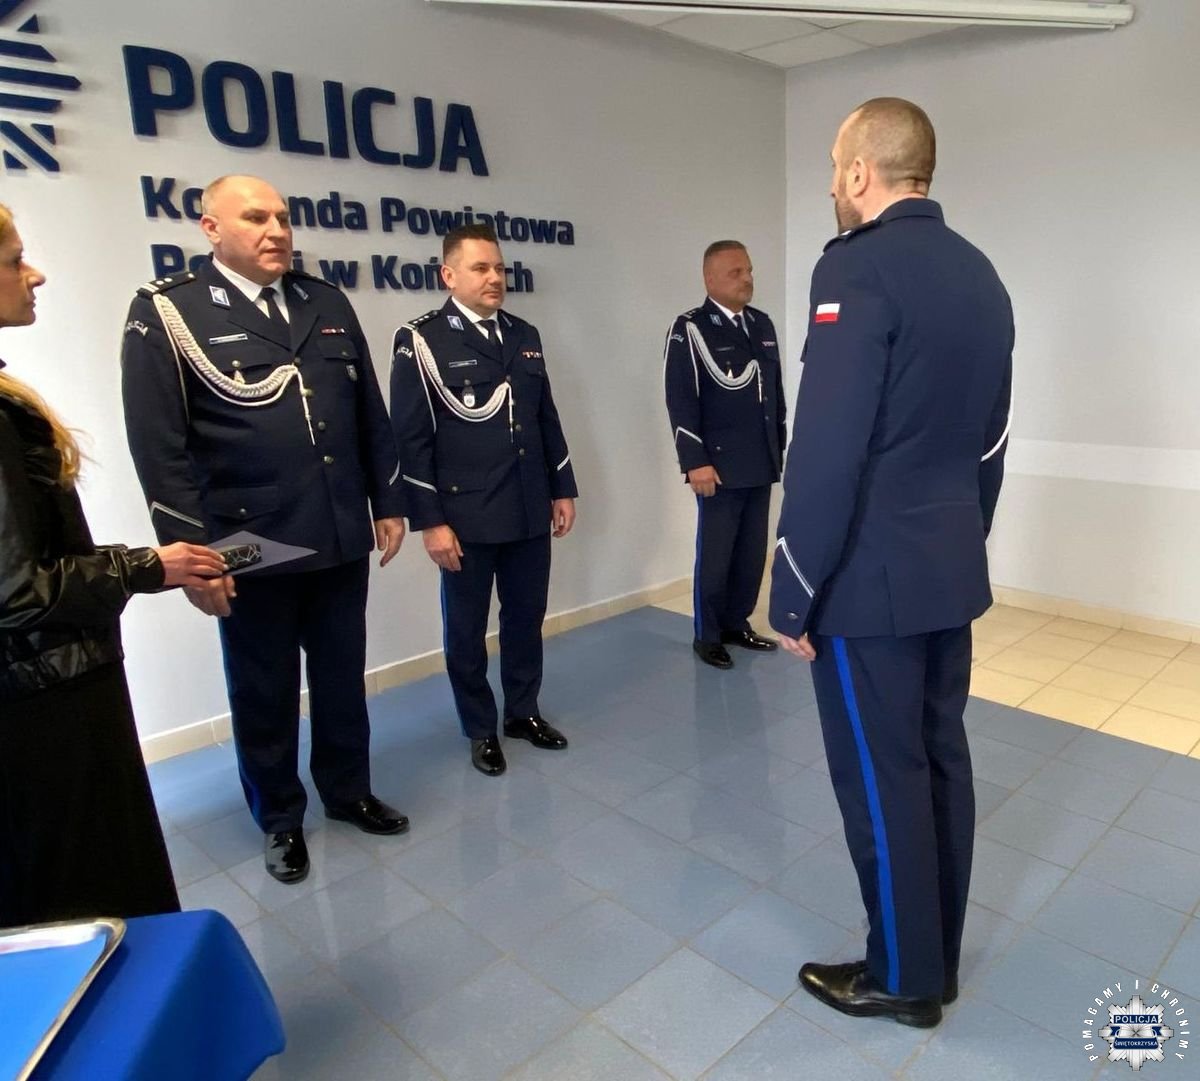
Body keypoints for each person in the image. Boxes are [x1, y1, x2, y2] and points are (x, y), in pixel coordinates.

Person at [769, 99, 1013, 1028]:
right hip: (947, 570)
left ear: (862, 172)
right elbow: (990, 444)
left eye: (836, 167)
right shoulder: (981, 273)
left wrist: (794, 588)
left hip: (865, 586)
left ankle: (904, 977)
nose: (832, 184)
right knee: (941, 762)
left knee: (883, 782)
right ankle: (934, 958)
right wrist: (961, 541)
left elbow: (827, 448)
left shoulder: (855, 269)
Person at [121, 175, 408, 885]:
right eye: (256, 217)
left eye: (282, 217)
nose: (277, 230)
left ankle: (348, 789)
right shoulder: (169, 311)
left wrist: (388, 499)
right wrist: (194, 556)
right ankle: (280, 815)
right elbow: (159, 446)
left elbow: (367, 410)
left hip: (337, 526)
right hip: (249, 540)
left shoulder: (324, 301)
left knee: (341, 676)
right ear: (211, 227)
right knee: (264, 687)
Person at [0, 203, 227, 925]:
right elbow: (18, 591)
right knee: (91, 899)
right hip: (45, 705)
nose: (35, 274)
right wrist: (145, 568)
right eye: (14, 260)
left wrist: (137, 565)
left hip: (47, 689)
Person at [391, 224, 577, 777]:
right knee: (466, 631)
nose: (495, 277)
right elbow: (411, 439)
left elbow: (544, 417)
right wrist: (431, 522)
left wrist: (562, 486)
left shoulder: (523, 333)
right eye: (480, 268)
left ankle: (523, 711)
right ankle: (480, 728)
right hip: (464, 515)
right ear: (449, 275)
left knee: (526, 617)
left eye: (498, 267)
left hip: (527, 505)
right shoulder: (421, 340)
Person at [664, 241, 786, 669]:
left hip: (759, 460)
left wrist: (778, 448)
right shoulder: (691, 328)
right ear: (710, 278)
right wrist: (694, 460)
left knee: (752, 554)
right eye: (736, 272)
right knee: (716, 556)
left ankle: (737, 623)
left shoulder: (761, 324)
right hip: (717, 465)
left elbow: (774, 395)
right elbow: (680, 398)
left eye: (749, 270)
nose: (747, 278)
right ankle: (709, 635)